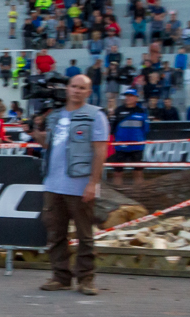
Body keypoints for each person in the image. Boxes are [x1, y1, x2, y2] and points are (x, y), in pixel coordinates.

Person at [34, 75, 108, 295]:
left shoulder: (95, 116)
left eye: (82, 88)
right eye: (74, 86)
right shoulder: (55, 115)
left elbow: (100, 151)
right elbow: (48, 144)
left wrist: (93, 183)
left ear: (89, 92)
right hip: (53, 183)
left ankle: (86, 279)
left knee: (85, 235)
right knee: (55, 233)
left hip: (80, 184)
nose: (77, 90)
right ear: (67, 89)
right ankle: (60, 277)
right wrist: (35, 131)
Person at [110, 90, 148, 187]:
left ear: (136, 98)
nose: (128, 98)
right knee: (118, 172)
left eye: (131, 96)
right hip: (120, 146)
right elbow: (112, 128)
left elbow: (145, 128)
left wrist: (140, 140)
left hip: (137, 147)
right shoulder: (118, 110)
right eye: (126, 96)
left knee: (138, 171)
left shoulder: (141, 111)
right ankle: (117, 193)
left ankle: (139, 193)